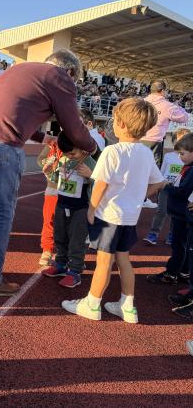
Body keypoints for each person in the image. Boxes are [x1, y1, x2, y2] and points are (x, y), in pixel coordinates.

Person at [0, 49, 97, 296]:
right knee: (1, 213)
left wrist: (40, 136)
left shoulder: (20, 69)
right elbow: (73, 126)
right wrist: (92, 147)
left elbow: (7, 107)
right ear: (69, 72)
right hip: (0, 142)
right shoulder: (60, 77)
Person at [62, 98, 164, 323]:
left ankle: (92, 303)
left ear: (123, 125)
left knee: (104, 262)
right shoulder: (147, 153)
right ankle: (127, 306)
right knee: (124, 260)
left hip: (108, 216)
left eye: (115, 120)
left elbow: (100, 184)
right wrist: (139, 196)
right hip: (130, 217)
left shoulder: (112, 151)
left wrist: (91, 208)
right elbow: (158, 183)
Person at [42, 131, 96, 288]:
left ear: (83, 147)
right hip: (62, 204)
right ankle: (60, 264)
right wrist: (49, 171)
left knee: (76, 241)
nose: (69, 156)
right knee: (60, 236)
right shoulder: (64, 159)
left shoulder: (90, 162)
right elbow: (57, 179)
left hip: (80, 208)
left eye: (72, 153)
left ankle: (75, 272)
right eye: (66, 153)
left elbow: (101, 184)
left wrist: (91, 175)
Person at [147, 133, 193, 291]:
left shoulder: (191, 170)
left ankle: (172, 273)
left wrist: (166, 185)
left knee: (179, 245)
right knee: (183, 244)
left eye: (182, 154)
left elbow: (182, 192)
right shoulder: (188, 167)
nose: (180, 157)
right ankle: (184, 272)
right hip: (181, 213)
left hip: (183, 214)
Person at [143, 128, 190, 246]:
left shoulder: (188, 159)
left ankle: (171, 235)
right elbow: (162, 172)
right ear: (174, 141)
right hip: (166, 188)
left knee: (176, 214)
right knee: (161, 211)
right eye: (179, 140)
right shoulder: (169, 156)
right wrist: (160, 185)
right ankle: (153, 234)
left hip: (178, 191)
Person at [141, 80, 188, 168]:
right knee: (152, 170)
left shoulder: (141, 102)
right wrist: (177, 106)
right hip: (154, 142)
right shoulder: (168, 106)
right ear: (162, 91)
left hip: (137, 140)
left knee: (137, 166)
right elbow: (184, 118)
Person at [37, 140, 62, 266]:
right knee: (49, 221)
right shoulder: (53, 144)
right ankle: (47, 251)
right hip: (52, 190)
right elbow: (40, 158)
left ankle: (68, 254)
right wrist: (47, 164)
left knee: (69, 225)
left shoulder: (81, 142)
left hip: (72, 193)